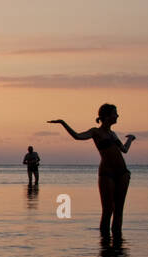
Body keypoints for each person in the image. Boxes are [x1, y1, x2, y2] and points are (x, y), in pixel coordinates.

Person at [49, 105, 136, 245]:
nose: (117, 116)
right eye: (115, 113)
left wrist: (131, 139)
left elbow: (124, 150)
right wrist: (63, 123)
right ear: (107, 116)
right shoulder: (95, 132)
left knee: (119, 210)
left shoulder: (113, 134)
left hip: (122, 173)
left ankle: (118, 246)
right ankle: (105, 243)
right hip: (107, 173)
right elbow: (77, 136)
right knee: (108, 210)